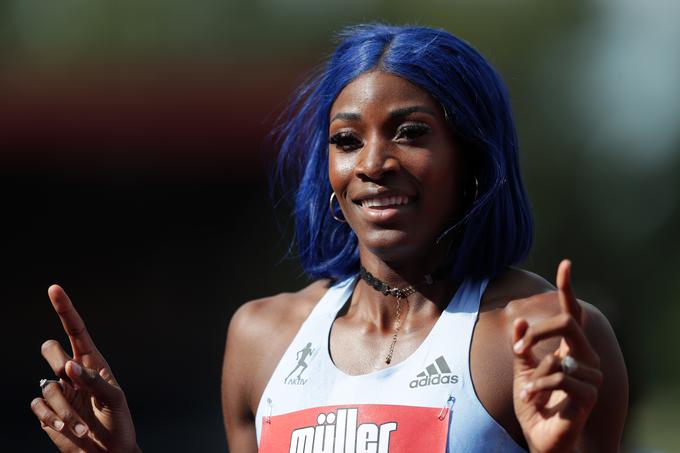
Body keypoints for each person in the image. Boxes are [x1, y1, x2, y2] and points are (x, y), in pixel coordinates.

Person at [31, 24, 628, 452]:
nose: (373, 163)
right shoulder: (261, 339)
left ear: (473, 162)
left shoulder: (542, 336)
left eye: (411, 133)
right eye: (347, 140)